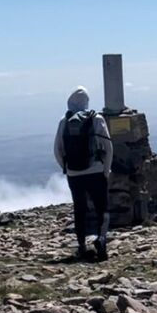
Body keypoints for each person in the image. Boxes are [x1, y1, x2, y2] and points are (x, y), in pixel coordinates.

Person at [54, 86, 113, 261]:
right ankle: (101, 240)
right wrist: (106, 169)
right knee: (102, 208)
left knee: (79, 210)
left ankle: (81, 246)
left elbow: (57, 150)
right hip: (95, 171)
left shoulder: (64, 122)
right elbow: (108, 147)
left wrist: (67, 169)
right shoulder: (97, 119)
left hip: (74, 174)